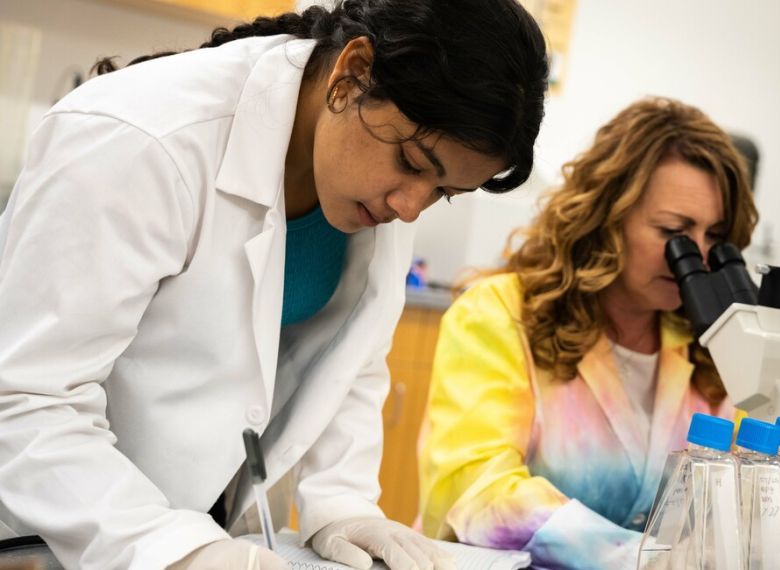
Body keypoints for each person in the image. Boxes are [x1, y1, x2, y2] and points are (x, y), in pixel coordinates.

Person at [0, 1, 547, 569]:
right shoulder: (143, 138)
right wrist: (171, 551)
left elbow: (348, 364)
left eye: (442, 191)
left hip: (211, 531)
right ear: (353, 72)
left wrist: (341, 502)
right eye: (412, 162)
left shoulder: (372, 182)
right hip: (51, 540)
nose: (411, 208)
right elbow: (24, 399)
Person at [417, 97, 758, 568]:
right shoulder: (500, 315)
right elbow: (477, 491)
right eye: (674, 232)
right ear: (607, 219)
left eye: (715, 238)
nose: (696, 257)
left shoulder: (709, 349)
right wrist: (640, 560)